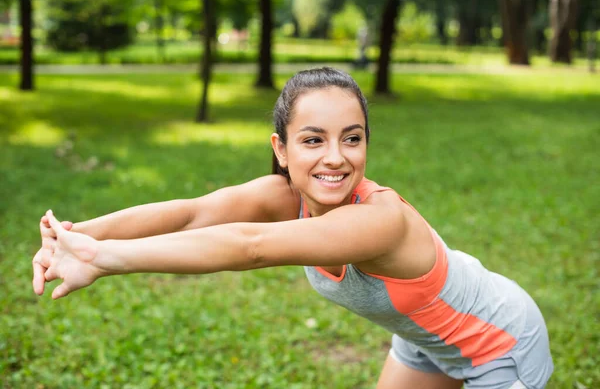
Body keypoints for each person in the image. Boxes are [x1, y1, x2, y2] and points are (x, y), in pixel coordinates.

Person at [32, 67, 553, 389]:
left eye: (352, 138)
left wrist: (104, 259)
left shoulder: (379, 220)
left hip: (499, 343)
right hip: (424, 339)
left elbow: (251, 246)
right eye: (312, 140)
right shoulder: (284, 196)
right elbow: (194, 212)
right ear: (281, 148)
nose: (336, 157)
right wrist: (78, 234)